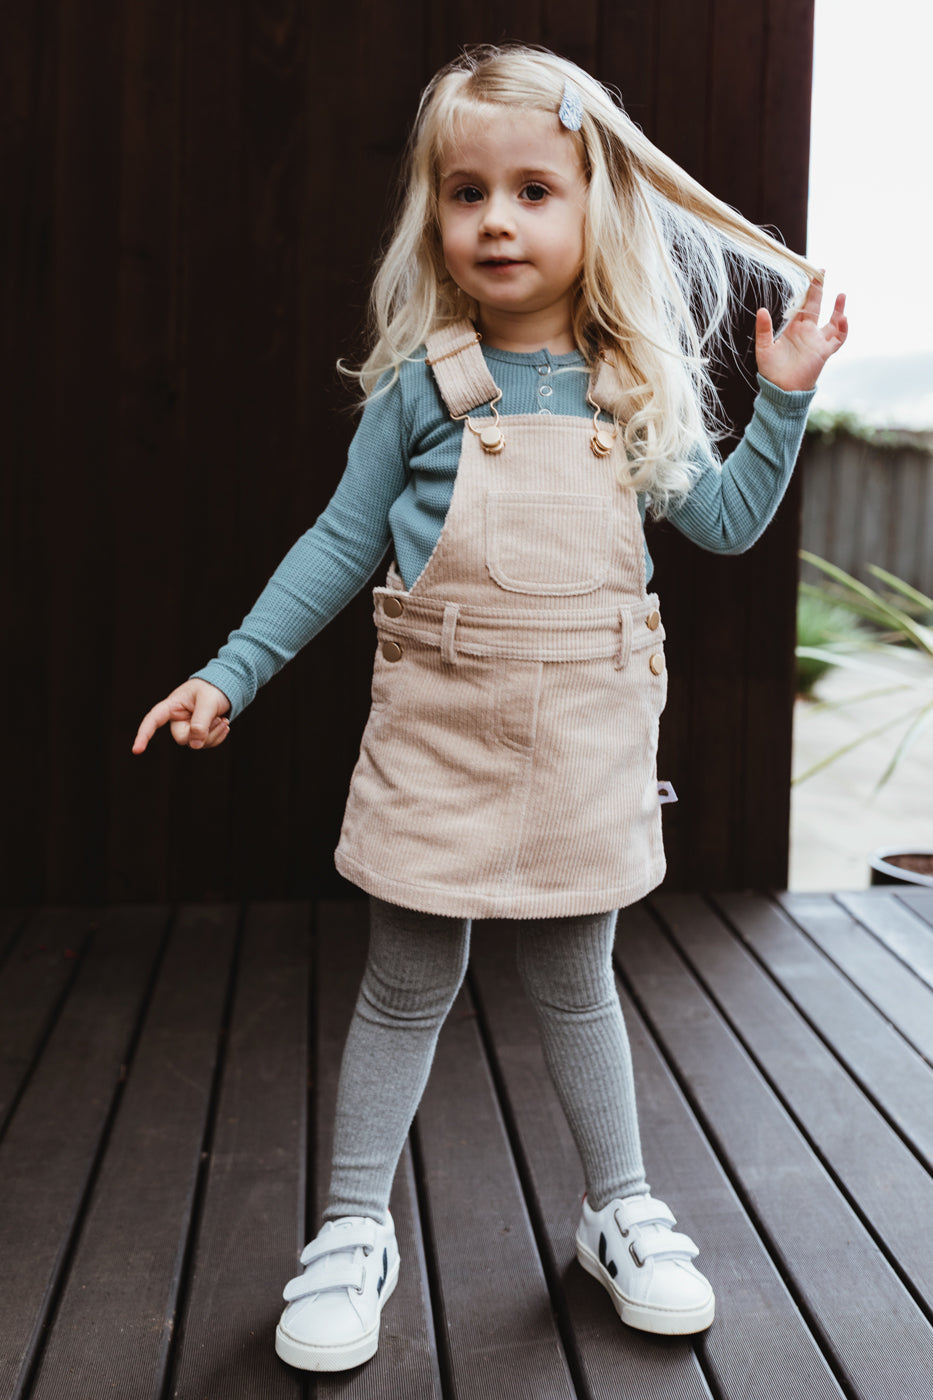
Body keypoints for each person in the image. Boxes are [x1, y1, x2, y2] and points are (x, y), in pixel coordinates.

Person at [133, 43, 847, 1372]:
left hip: (584, 739)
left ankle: (616, 1210)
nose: (498, 220)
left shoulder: (632, 384)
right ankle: (352, 1229)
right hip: (439, 729)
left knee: (577, 981)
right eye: (467, 193)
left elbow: (736, 523)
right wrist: (227, 671)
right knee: (408, 981)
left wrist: (786, 397)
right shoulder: (423, 384)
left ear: (596, 208)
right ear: (433, 216)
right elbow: (337, 549)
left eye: (533, 189)